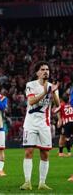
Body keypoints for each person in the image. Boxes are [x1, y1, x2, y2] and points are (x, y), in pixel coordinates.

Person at [20, 62, 59, 191]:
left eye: (47, 69)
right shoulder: (30, 85)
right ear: (37, 72)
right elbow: (31, 101)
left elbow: (57, 104)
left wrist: (53, 92)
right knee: (28, 151)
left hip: (44, 124)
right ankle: (27, 182)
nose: (45, 71)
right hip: (30, 123)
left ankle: (42, 183)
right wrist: (45, 92)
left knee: (45, 154)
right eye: (42, 69)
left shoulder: (52, 86)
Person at [55, 90, 73, 157]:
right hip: (70, 121)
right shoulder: (71, 104)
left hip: (66, 123)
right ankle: (61, 152)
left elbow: (55, 111)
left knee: (63, 137)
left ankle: (61, 152)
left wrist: (59, 120)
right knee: (63, 137)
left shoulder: (61, 105)